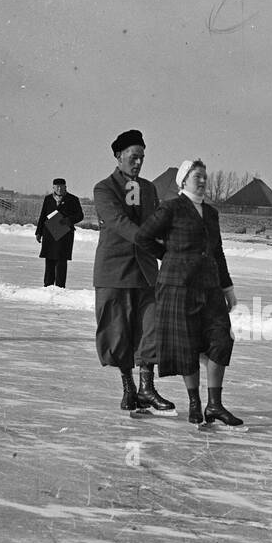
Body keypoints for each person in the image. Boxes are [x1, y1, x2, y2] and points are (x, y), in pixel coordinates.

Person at [136, 159, 241, 426]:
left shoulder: (212, 213)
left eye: (205, 176)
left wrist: (227, 288)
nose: (203, 180)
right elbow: (143, 238)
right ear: (183, 180)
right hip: (178, 288)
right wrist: (170, 258)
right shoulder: (171, 208)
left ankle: (214, 405)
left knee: (221, 340)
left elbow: (217, 252)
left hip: (210, 287)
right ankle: (195, 403)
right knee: (188, 346)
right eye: (197, 176)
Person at [92, 129, 174, 411]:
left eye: (142, 157)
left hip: (146, 272)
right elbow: (118, 222)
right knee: (118, 332)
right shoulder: (104, 189)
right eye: (133, 157)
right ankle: (128, 387)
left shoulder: (149, 189)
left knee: (151, 328)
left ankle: (147, 388)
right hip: (114, 271)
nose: (138, 163)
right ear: (118, 156)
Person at [34, 177, 84, 287]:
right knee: (49, 259)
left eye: (62, 187)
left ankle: (60, 287)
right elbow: (43, 215)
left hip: (64, 234)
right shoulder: (48, 199)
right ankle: (48, 285)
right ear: (53, 188)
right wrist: (39, 232)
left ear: (66, 187)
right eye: (57, 187)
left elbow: (80, 216)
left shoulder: (73, 199)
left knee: (61, 260)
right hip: (49, 233)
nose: (60, 189)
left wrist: (69, 220)